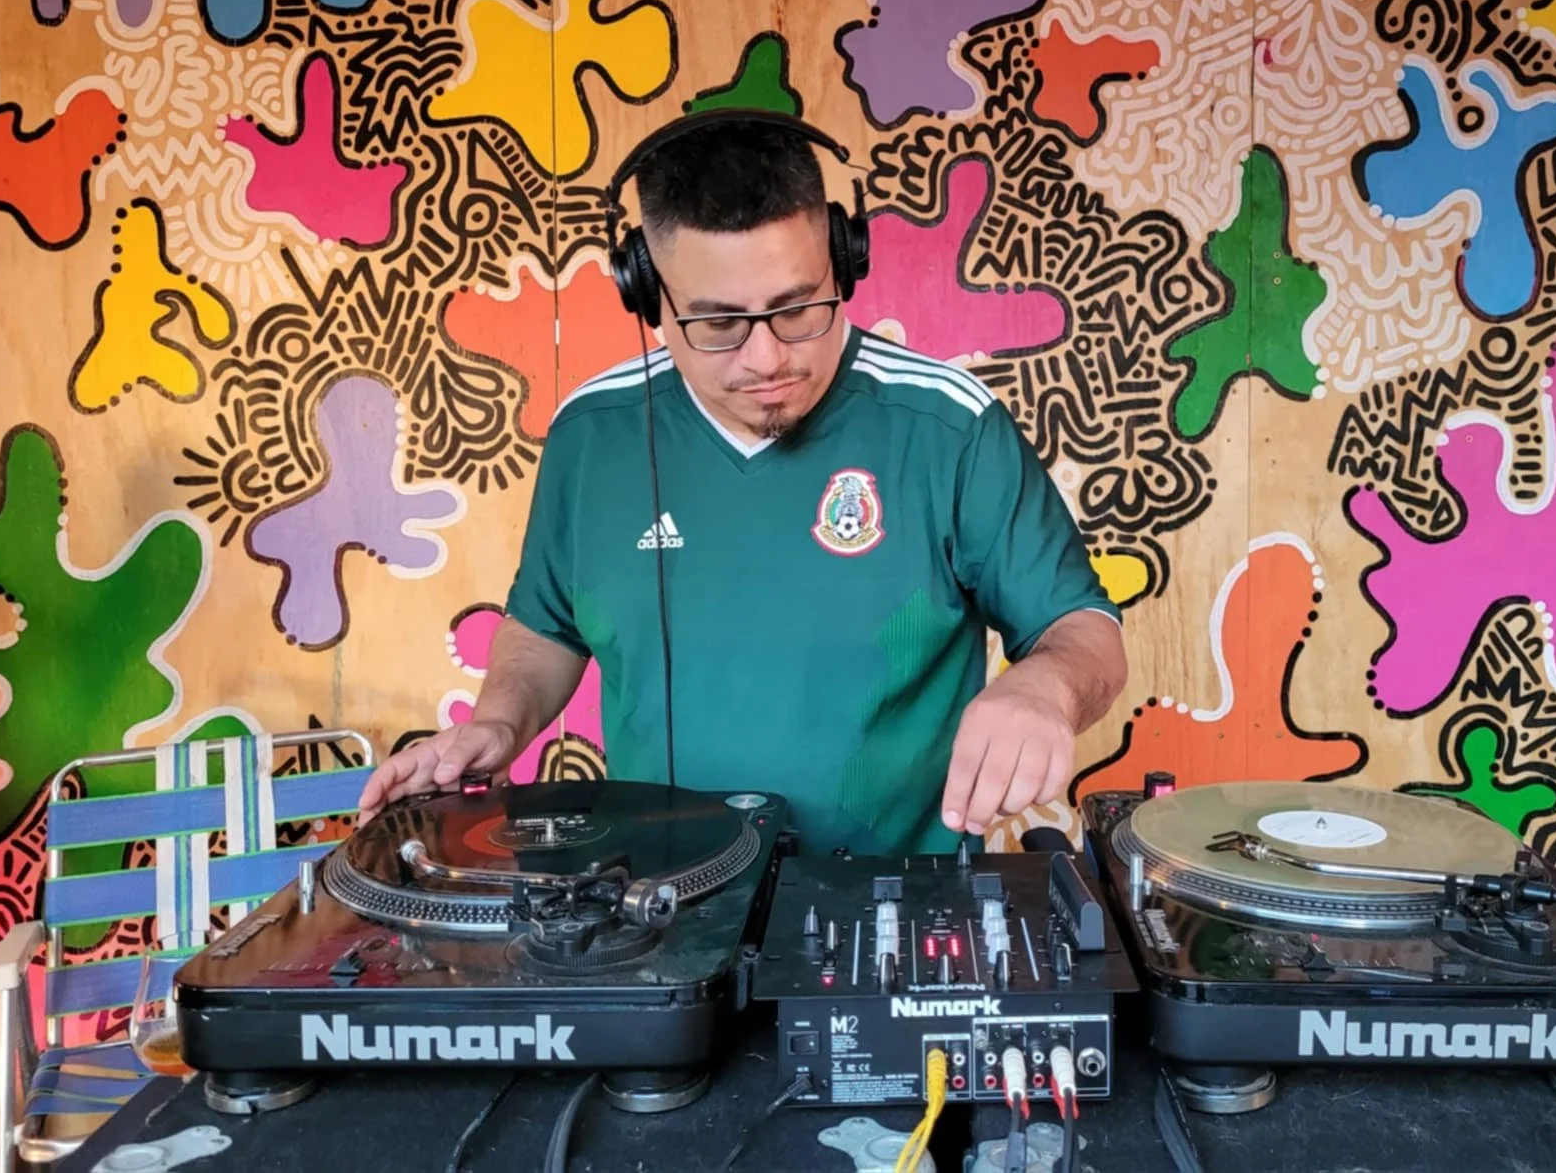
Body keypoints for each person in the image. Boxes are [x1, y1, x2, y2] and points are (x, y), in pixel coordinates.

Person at [356, 111, 1127, 854]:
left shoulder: (950, 425)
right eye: (718, 323)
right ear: (646, 294)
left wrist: (1046, 689)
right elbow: (546, 627)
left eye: (797, 308)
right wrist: (500, 721)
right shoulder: (591, 435)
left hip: (896, 899)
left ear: (844, 261)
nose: (766, 358)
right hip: (655, 901)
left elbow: (1082, 629)